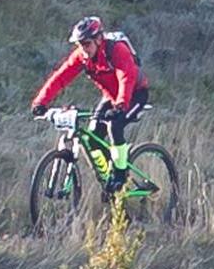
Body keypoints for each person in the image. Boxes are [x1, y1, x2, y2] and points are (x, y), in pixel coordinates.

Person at [30, 16, 150, 192]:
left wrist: (121, 105)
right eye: (79, 45)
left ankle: (120, 173)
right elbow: (60, 77)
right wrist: (41, 101)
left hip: (135, 94)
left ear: (99, 39)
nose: (83, 49)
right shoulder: (82, 56)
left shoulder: (117, 50)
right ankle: (108, 176)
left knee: (114, 126)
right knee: (92, 138)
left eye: (86, 44)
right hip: (111, 97)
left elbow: (126, 77)